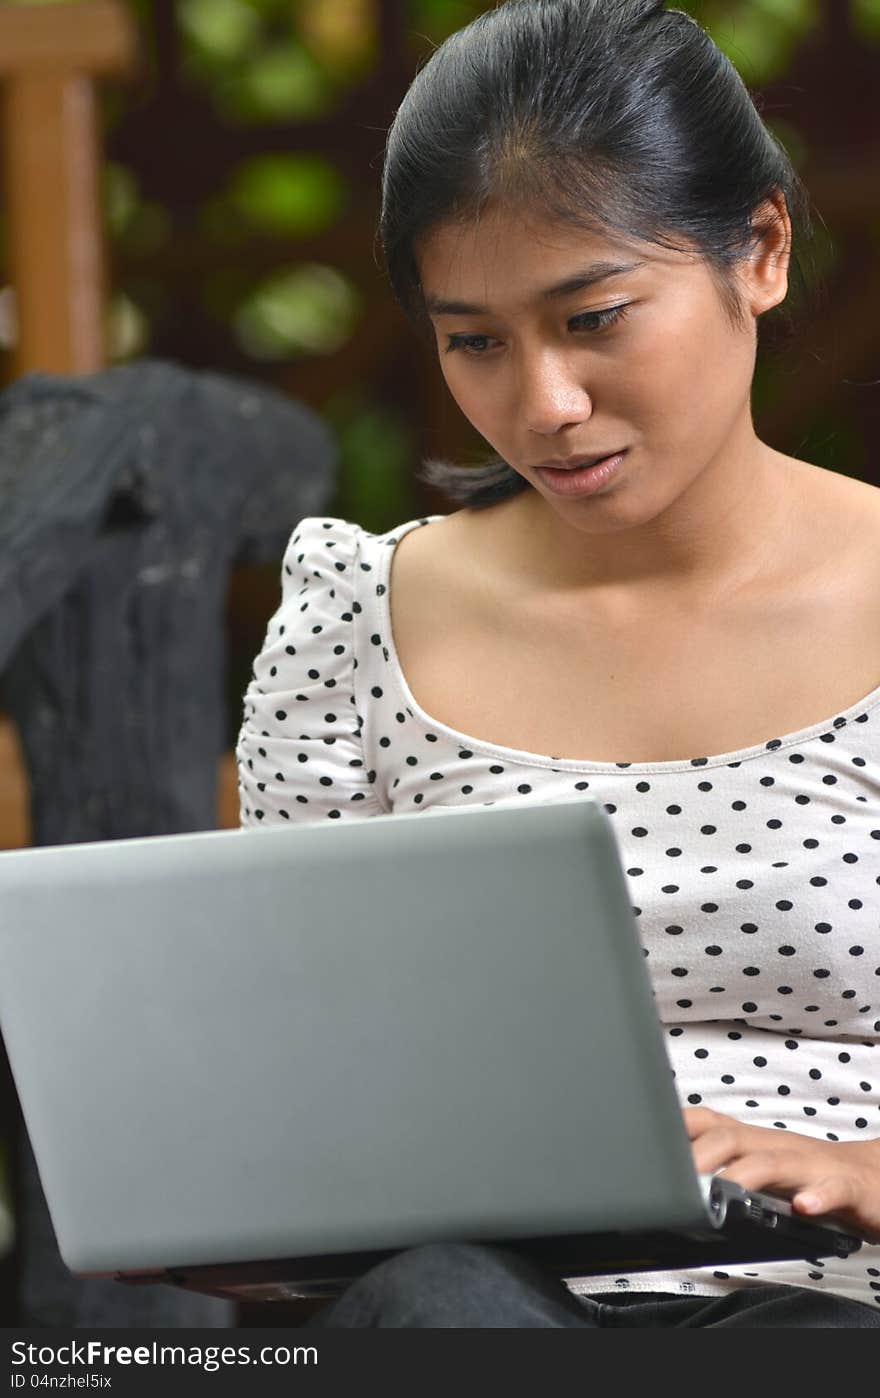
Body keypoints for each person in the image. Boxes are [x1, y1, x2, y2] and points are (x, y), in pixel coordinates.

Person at [236, 0, 880, 1327]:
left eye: (594, 318)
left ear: (758, 249)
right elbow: (283, 1053)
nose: (543, 403)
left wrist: (859, 1169)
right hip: (485, 1295)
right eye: (475, 339)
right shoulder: (359, 616)